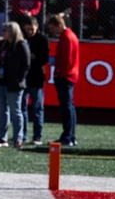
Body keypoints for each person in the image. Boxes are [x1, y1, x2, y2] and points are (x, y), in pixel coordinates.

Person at [47, 13, 79, 147]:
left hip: (66, 76)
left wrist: (58, 72)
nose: (52, 31)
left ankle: (68, 136)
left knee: (67, 107)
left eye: (53, 28)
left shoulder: (66, 37)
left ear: (59, 25)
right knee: (69, 107)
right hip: (68, 75)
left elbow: (66, 60)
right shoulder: (69, 36)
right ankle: (70, 136)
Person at [0, 22, 30, 149]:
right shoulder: (5, 45)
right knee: (3, 110)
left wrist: (19, 79)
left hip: (14, 84)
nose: (3, 32)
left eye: (5, 30)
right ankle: (2, 137)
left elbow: (26, 65)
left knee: (16, 111)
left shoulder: (21, 45)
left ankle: (18, 138)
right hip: (1, 82)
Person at [22, 16, 49, 145]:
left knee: (37, 108)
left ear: (37, 26)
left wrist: (33, 57)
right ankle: (23, 135)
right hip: (24, 78)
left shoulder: (43, 39)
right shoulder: (23, 38)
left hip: (37, 78)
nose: (30, 32)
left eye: (31, 29)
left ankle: (37, 136)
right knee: (22, 108)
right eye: (27, 29)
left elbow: (44, 59)